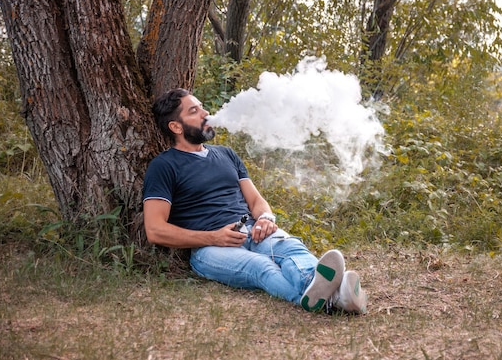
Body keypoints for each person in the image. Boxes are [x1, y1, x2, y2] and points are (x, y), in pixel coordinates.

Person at [142, 88, 367, 314]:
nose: (206, 113)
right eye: (194, 111)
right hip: (209, 249)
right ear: (176, 126)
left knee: (290, 248)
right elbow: (155, 230)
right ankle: (335, 298)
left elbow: (256, 200)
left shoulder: (227, 154)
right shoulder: (163, 167)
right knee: (262, 267)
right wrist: (214, 237)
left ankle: (320, 287)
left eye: (202, 106)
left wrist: (266, 218)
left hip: (253, 231)